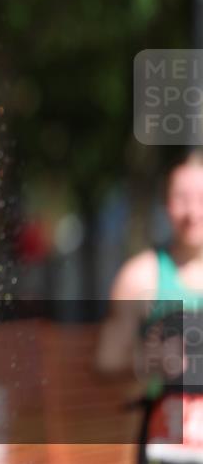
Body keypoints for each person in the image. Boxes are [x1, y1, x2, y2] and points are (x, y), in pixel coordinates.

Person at [98, 150, 203, 464]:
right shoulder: (140, 277)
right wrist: (149, 359)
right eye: (182, 197)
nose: (192, 210)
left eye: (201, 197)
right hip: (167, 446)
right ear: (166, 204)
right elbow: (107, 360)